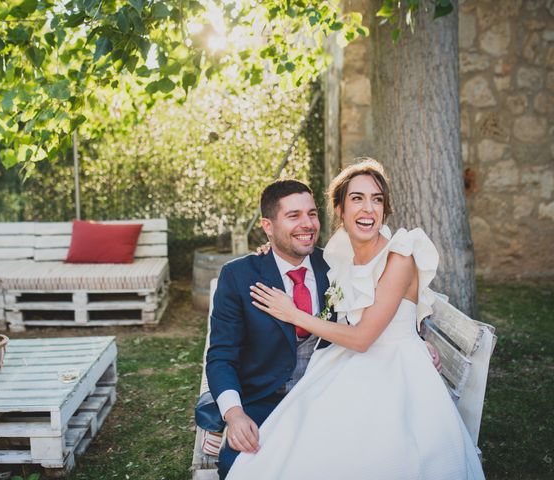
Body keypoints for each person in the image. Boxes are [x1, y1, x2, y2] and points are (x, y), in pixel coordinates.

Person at [226, 158, 485, 479]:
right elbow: (296, 248)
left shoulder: (401, 254)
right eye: (357, 198)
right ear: (340, 209)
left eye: (377, 199)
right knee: (296, 441)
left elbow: (364, 336)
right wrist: (273, 248)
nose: (368, 208)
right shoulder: (338, 256)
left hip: (395, 373)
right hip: (350, 361)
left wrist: (294, 314)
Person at [205, 179, 334, 479]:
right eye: (294, 216)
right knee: (238, 466)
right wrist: (234, 414)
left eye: (312, 214)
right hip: (264, 399)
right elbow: (222, 355)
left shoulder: (335, 265)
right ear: (268, 225)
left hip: (327, 394)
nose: (308, 224)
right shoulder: (238, 276)